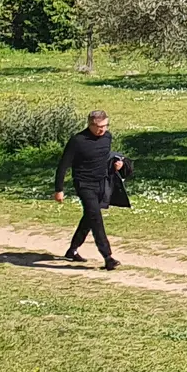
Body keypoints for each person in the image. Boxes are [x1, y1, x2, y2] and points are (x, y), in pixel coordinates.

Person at [53, 109, 123, 270]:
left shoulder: (107, 137)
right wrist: (59, 189)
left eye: (105, 125)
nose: (103, 129)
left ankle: (72, 250)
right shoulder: (78, 141)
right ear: (90, 124)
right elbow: (63, 166)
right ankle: (108, 257)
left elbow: (104, 156)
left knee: (89, 217)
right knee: (96, 218)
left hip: (101, 183)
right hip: (84, 185)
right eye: (99, 126)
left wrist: (116, 164)